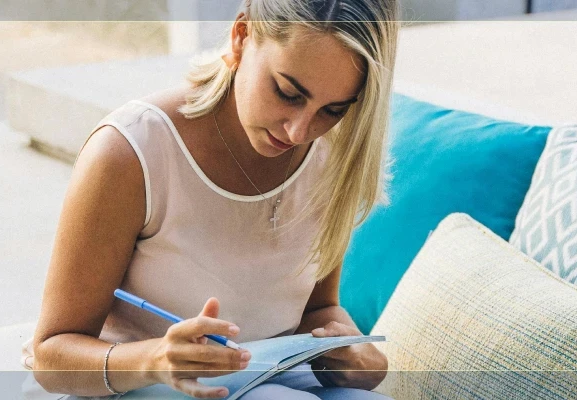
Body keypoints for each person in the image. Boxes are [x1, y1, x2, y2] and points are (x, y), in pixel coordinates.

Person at [20, 0, 400, 398]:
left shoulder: (332, 153)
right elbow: (51, 356)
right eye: (287, 92)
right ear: (241, 36)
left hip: (268, 376)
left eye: (333, 109)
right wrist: (157, 358)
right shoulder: (131, 151)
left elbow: (315, 311)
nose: (298, 131)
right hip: (134, 383)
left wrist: (355, 355)